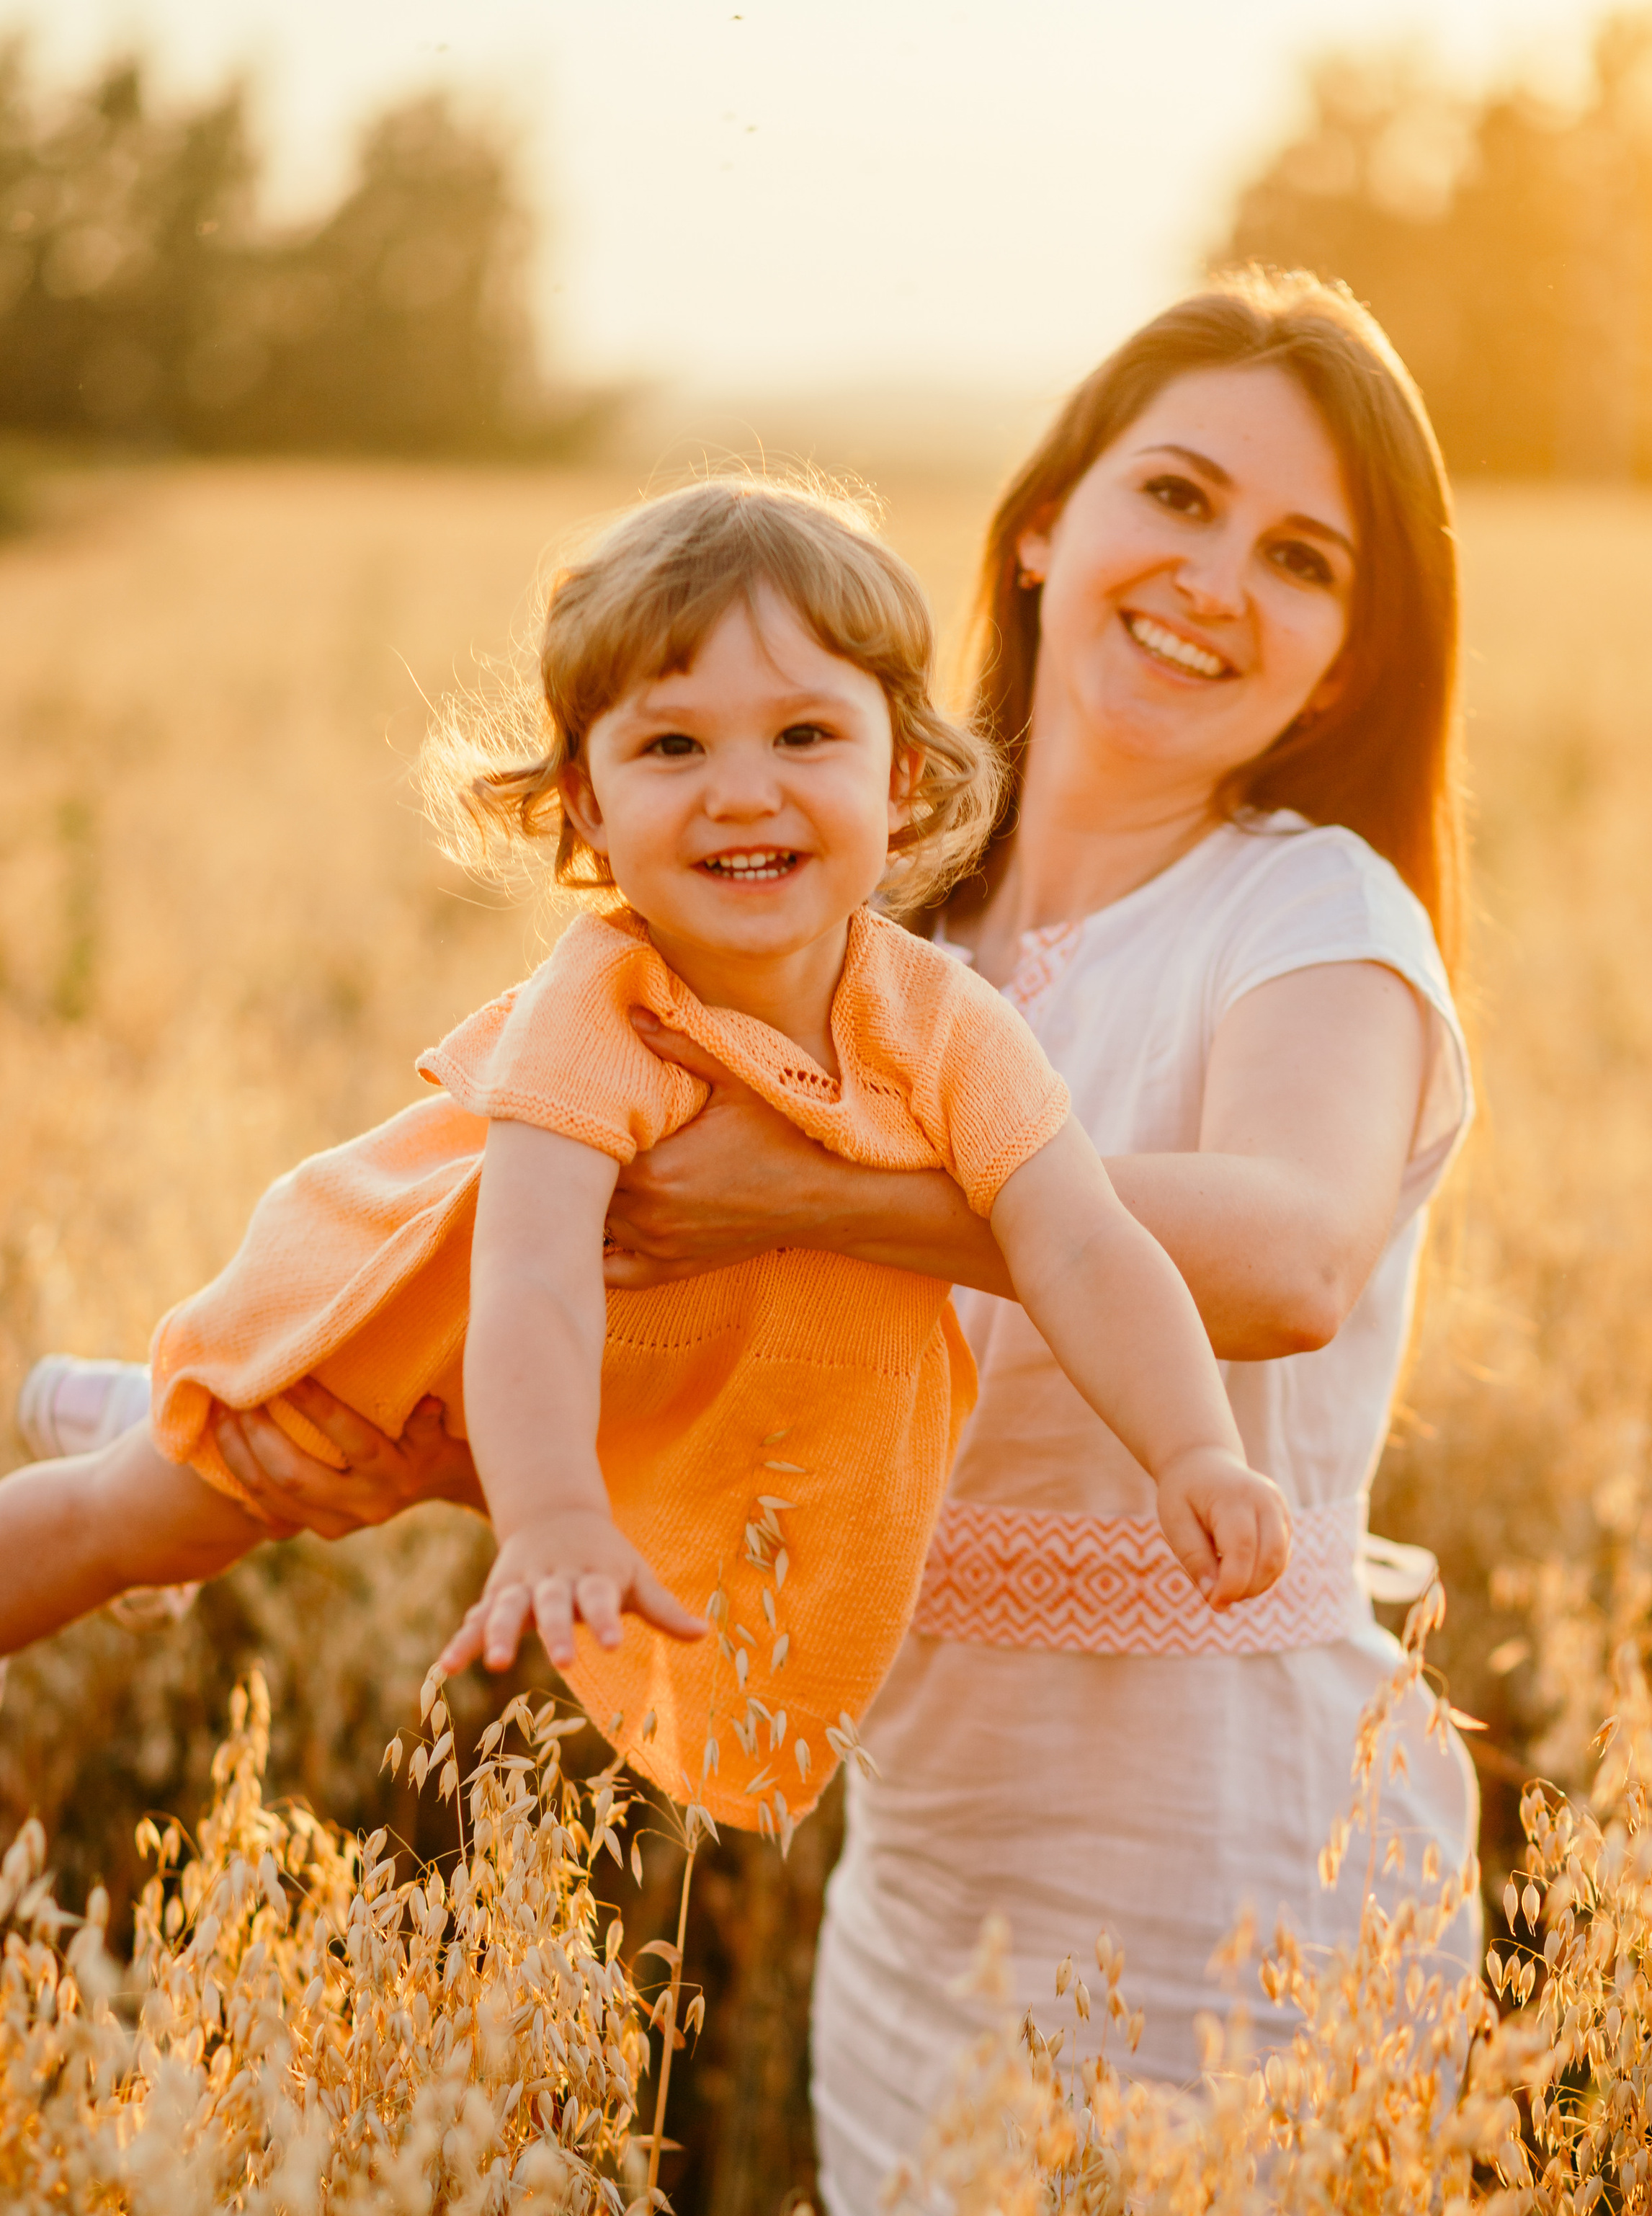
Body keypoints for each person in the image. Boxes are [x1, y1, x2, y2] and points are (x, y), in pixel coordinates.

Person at [2, 478, 1290, 1832]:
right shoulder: (608, 1005)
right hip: (403, 1338)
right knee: (139, 1519)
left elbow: (1080, 1241)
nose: (744, 795)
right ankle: (152, 1415)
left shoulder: (947, 1026)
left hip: (641, 1388)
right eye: (672, 747)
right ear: (590, 804)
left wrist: (1194, 1450)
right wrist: (552, 1518)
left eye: (804, 734)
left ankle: (130, 1403)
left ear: (898, 777)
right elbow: (534, 1286)